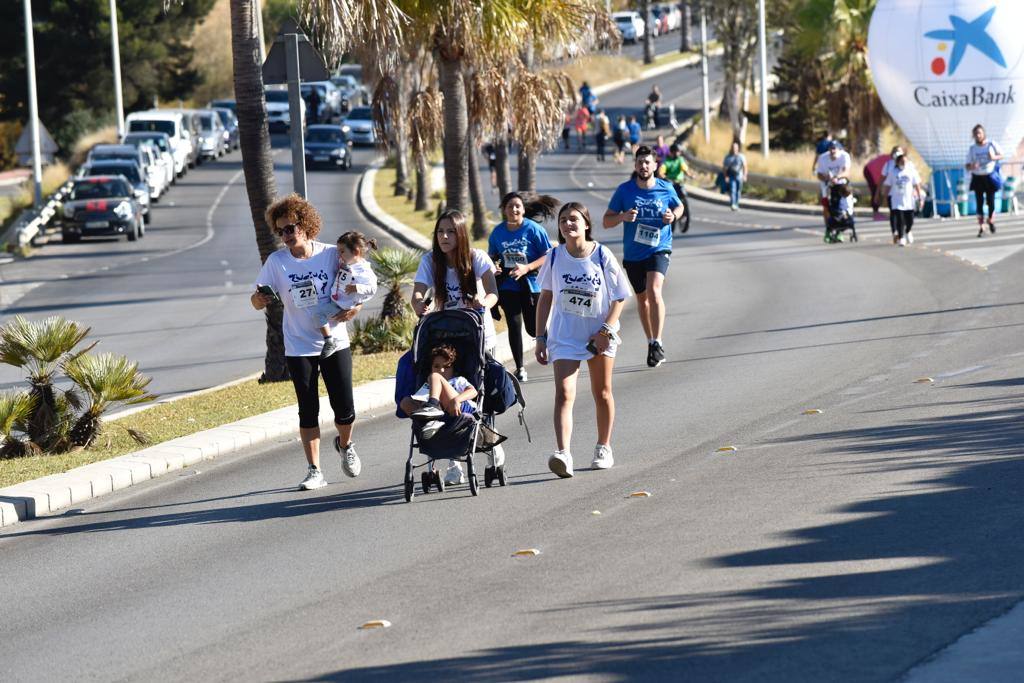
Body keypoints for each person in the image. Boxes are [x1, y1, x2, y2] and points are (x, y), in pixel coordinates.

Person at [251, 194, 363, 491]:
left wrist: (356, 307)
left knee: (345, 409)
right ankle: (314, 470)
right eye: (280, 231)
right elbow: (255, 299)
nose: (286, 236)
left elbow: (359, 284)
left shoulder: (331, 254)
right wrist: (260, 299)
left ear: (305, 224)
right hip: (299, 345)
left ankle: (345, 444)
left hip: (335, 341)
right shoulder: (277, 262)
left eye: (290, 228)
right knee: (307, 409)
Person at [535, 202, 632, 478]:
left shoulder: (601, 254)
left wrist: (605, 331)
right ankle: (563, 453)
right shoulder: (555, 256)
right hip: (565, 335)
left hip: (598, 335)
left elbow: (620, 297)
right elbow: (546, 297)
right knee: (564, 393)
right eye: (563, 220)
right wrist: (540, 336)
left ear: (586, 224)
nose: (568, 224)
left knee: (602, 392)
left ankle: (603, 447)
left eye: (573, 219)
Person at [412, 210, 499, 485]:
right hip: (447, 337)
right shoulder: (430, 261)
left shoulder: (477, 258)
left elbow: (493, 292)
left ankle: (490, 446)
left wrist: (484, 302)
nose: (445, 237)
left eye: (450, 231)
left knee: (480, 393)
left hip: (478, 338)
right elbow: (417, 293)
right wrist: (419, 304)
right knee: (447, 396)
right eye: (440, 232)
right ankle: (453, 461)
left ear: (460, 234)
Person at [603, 145, 684, 368]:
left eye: (648, 162)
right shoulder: (624, 191)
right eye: (640, 162)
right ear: (635, 165)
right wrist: (623, 217)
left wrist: (673, 216)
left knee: (654, 290)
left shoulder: (666, 188)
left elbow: (679, 207)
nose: (644, 166)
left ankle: (658, 340)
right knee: (642, 299)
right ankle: (651, 342)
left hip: (659, 248)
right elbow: (606, 221)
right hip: (633, 254)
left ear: (655, 165)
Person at [488, 192, 553, 382]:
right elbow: (492, 257)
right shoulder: (497, 232)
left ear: (523, 209)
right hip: (508, 285)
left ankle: (550, 348)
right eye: (510, 206)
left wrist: (527, 267)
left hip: (532, 284)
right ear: (504, 210)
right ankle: (520, 368)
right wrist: (495, 267)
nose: (514, 209)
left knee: (533, 328)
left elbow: (548, 255)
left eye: (517, 206)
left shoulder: (533, 229)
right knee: (514, 325)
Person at [313, 232, 379, 358]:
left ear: (356, 251)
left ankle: (329, 341)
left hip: (342, 305)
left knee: (318, 315)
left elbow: (372, 288)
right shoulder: (347, 263)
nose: (339, 255)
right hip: (336, 299)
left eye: (342, 251)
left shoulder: (364, 270)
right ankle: (330, 340)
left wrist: (356, 288)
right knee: (319, 314)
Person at [409, 343, 478, 441]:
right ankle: (428, 422)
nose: (441, 370)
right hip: (441, 415)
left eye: (446, 367)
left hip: (459, 408)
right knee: (405, 402)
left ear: (453, 369)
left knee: (435, 376)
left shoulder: (458, 380)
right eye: (436, 366)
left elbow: (473, 391)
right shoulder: (430, 384)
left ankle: (433, 406)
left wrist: (457, 399)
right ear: (431, 367)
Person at [965, 123, 1003, 237]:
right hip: (978, 177)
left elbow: (1001, 155)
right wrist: (972, 166)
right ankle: (982, 226)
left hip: (990, 176)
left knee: (991, 202)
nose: (978, 135)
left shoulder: (991, 144)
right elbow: (967, 165)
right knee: (979, 202)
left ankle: (990, 220)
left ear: (983, 133)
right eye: (976, 134)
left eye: (980, 133)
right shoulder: (972, 149)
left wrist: (993, 157)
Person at [882, 152, 923, 247]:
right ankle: (901, 237)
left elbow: (917, 184)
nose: (903, 163)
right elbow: (887, 185)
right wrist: (885, 197)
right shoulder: (893, 172)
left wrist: (919, 197)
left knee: (910, 220)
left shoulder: (911, 171)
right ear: (897, 162)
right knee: (900, 220)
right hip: (897, 200)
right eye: (901, 161)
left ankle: (908, 230)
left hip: (909, 200)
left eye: (905, 161)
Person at [815, 140, 852, 225]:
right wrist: (827, 178)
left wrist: (838, 177)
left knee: (845, 199)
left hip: (841, 183)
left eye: (834, 149)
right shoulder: (823, 158)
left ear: (839, 149)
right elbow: (819, 174)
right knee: (826, 204)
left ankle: (845, 217)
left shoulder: (844, 156)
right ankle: (828, 226)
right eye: (830, 149)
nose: (832, 151)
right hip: (827, 184)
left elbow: (847, 172)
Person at [657, 144, 692, 233]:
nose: (677, 153)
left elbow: (685, 168)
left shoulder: (680, 160)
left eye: (678, 152)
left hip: (679, 183)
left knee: (684, 195)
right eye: (676, 152)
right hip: (670, 184)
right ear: (672, 152)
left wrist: (689, 174)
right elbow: (662, 170)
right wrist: (663, 176)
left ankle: (685, 212)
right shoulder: (667, 161)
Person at [874, 145, 904, 242]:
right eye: (895, 151)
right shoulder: (888, 165)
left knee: (902, 213)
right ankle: (895, 232)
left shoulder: (906, 164)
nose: (897, 154)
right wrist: (878, 193)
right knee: (894, 212)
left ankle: (902, 231)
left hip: (903, 194)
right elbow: (882, 179)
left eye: (899, 151)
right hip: (891, 193)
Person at [722, 141, 748, 211]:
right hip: (731, 176)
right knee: (732, 190)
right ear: (731, 148)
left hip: (739, 176)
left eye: (735, 148)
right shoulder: (728, 157)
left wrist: (745, 175)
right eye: (733, 147)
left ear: (738, 148)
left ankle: (736, 204)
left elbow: (745, 166)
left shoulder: (741, 156)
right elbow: (725, 168)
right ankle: (733, 204)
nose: (734, 149)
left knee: (738, 191)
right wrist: (726, 176)